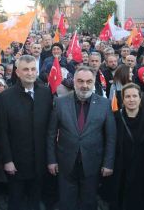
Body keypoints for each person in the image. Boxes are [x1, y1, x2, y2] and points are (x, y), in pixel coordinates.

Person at [47, 65, 116, 210]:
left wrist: (108, 163)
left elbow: (110, 137)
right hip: (65, 164)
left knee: (88, 203)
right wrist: (51, 160)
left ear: (93, 82)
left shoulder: (104, 104)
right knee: (66, 202)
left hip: (92, 164)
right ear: (74, 82)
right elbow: (51, 134)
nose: (84, 85)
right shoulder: (60, 102)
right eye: (80, 81)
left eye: (89, 82)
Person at [0, 55, 53, 210]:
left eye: (33, 69)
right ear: (18, 72)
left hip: (40, 161)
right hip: (17, 163)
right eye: (26, 69)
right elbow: (2, 131)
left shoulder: (45, 93)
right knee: (16, 201)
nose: (30, 73)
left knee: (35, 201)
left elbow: (50, 128)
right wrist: (7, 160)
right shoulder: (5, 97)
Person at [110, 83, 144, 210]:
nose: (131, 99)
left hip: (141, 172)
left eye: (135, 96)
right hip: (118, 171)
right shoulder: (114, 118)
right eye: (128, 96)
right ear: (122, 99)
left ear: (140, 98)